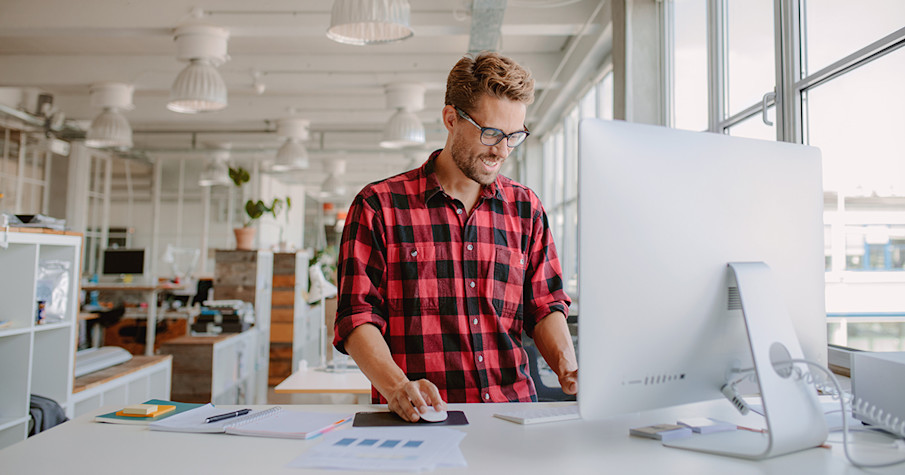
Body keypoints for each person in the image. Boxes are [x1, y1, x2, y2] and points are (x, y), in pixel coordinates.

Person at [333, 52, 577, 422]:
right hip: (421, 420)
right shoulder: (378, 206)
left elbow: (545, 305)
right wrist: (397, 386)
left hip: (513, 417)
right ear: (451, 119)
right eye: (491, 132)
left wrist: (569, 369)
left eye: (514, 136)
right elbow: (357, 317)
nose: (502, 150)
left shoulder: (526, 208)